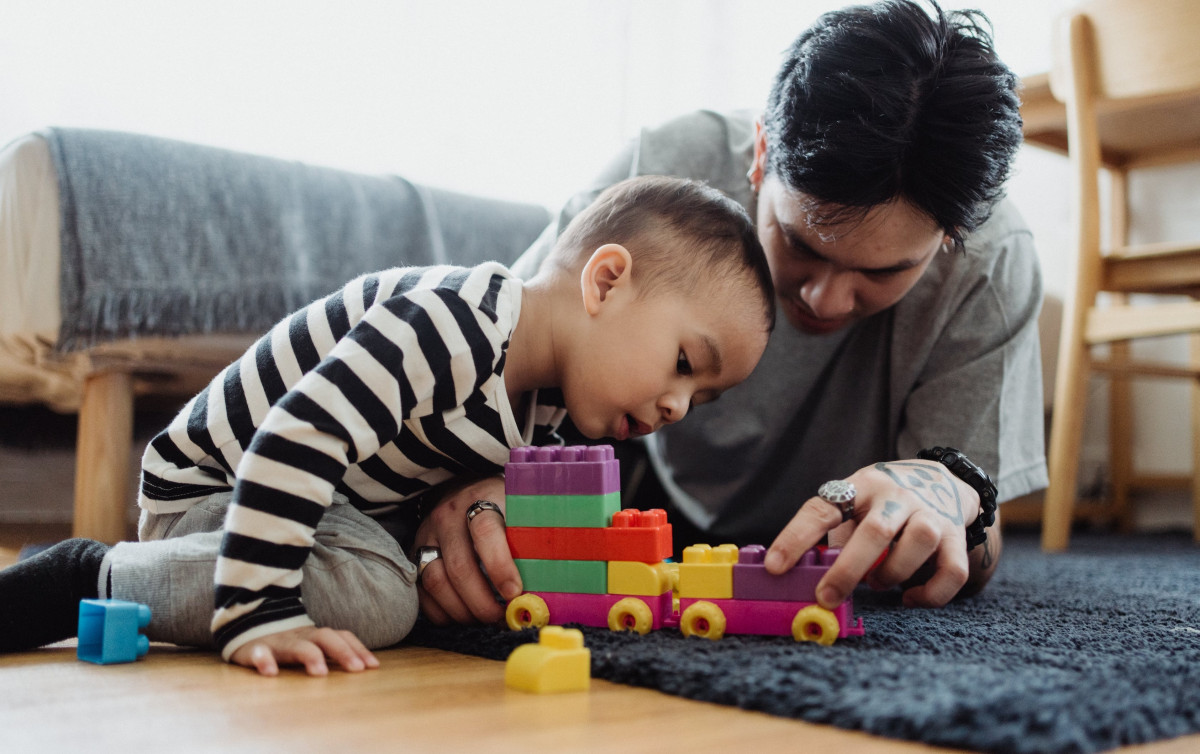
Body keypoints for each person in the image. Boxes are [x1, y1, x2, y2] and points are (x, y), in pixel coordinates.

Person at [415, 0, 1045, 625]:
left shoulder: (991, 266)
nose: (822, 299)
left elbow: (976, 551)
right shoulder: (659, 176)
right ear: (762, 152)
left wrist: (948, 496)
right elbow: (493, 353)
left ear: (951, 236)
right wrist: (466, 489)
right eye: (798, 244)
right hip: (631, 501)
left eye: (882, 273)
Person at [0, 175, 776, 674]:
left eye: (702, 399)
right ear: (607, 281)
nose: (677, 408)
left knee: (401, 582)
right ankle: (86, 576)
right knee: (381, 601)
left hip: (329, 509)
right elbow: (300, 436)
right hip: (220, 489)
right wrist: (261, 613)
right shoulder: (454, 324)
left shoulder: (544, 411)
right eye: (684, 362)